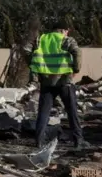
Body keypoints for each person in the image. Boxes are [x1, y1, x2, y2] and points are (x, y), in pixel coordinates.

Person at [24, 22, 90, 151]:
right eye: (67, 31)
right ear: (62, 30)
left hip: (46, 80)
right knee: (72, 111)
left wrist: (32, 65)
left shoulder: (40, 39)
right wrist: (76, 69)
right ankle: (78, 140)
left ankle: (39, 140)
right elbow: (77, 52)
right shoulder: (66, 40)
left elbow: (26, 50)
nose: (67, 33)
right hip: (64, 79)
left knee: (43, 112)